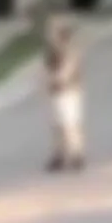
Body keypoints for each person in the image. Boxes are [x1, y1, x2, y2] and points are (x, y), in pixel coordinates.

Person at [45, 21, 84, 171]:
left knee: (70, 125)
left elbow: (67, 71)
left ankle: (76, 154)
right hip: (57, 93)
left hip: (69, 93)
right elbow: (46, 70)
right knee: (57, 126)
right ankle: (59, 155)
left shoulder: (70, 52)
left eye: (54, 35)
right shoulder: (53, 52)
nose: (52, 38)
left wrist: (56, 79)